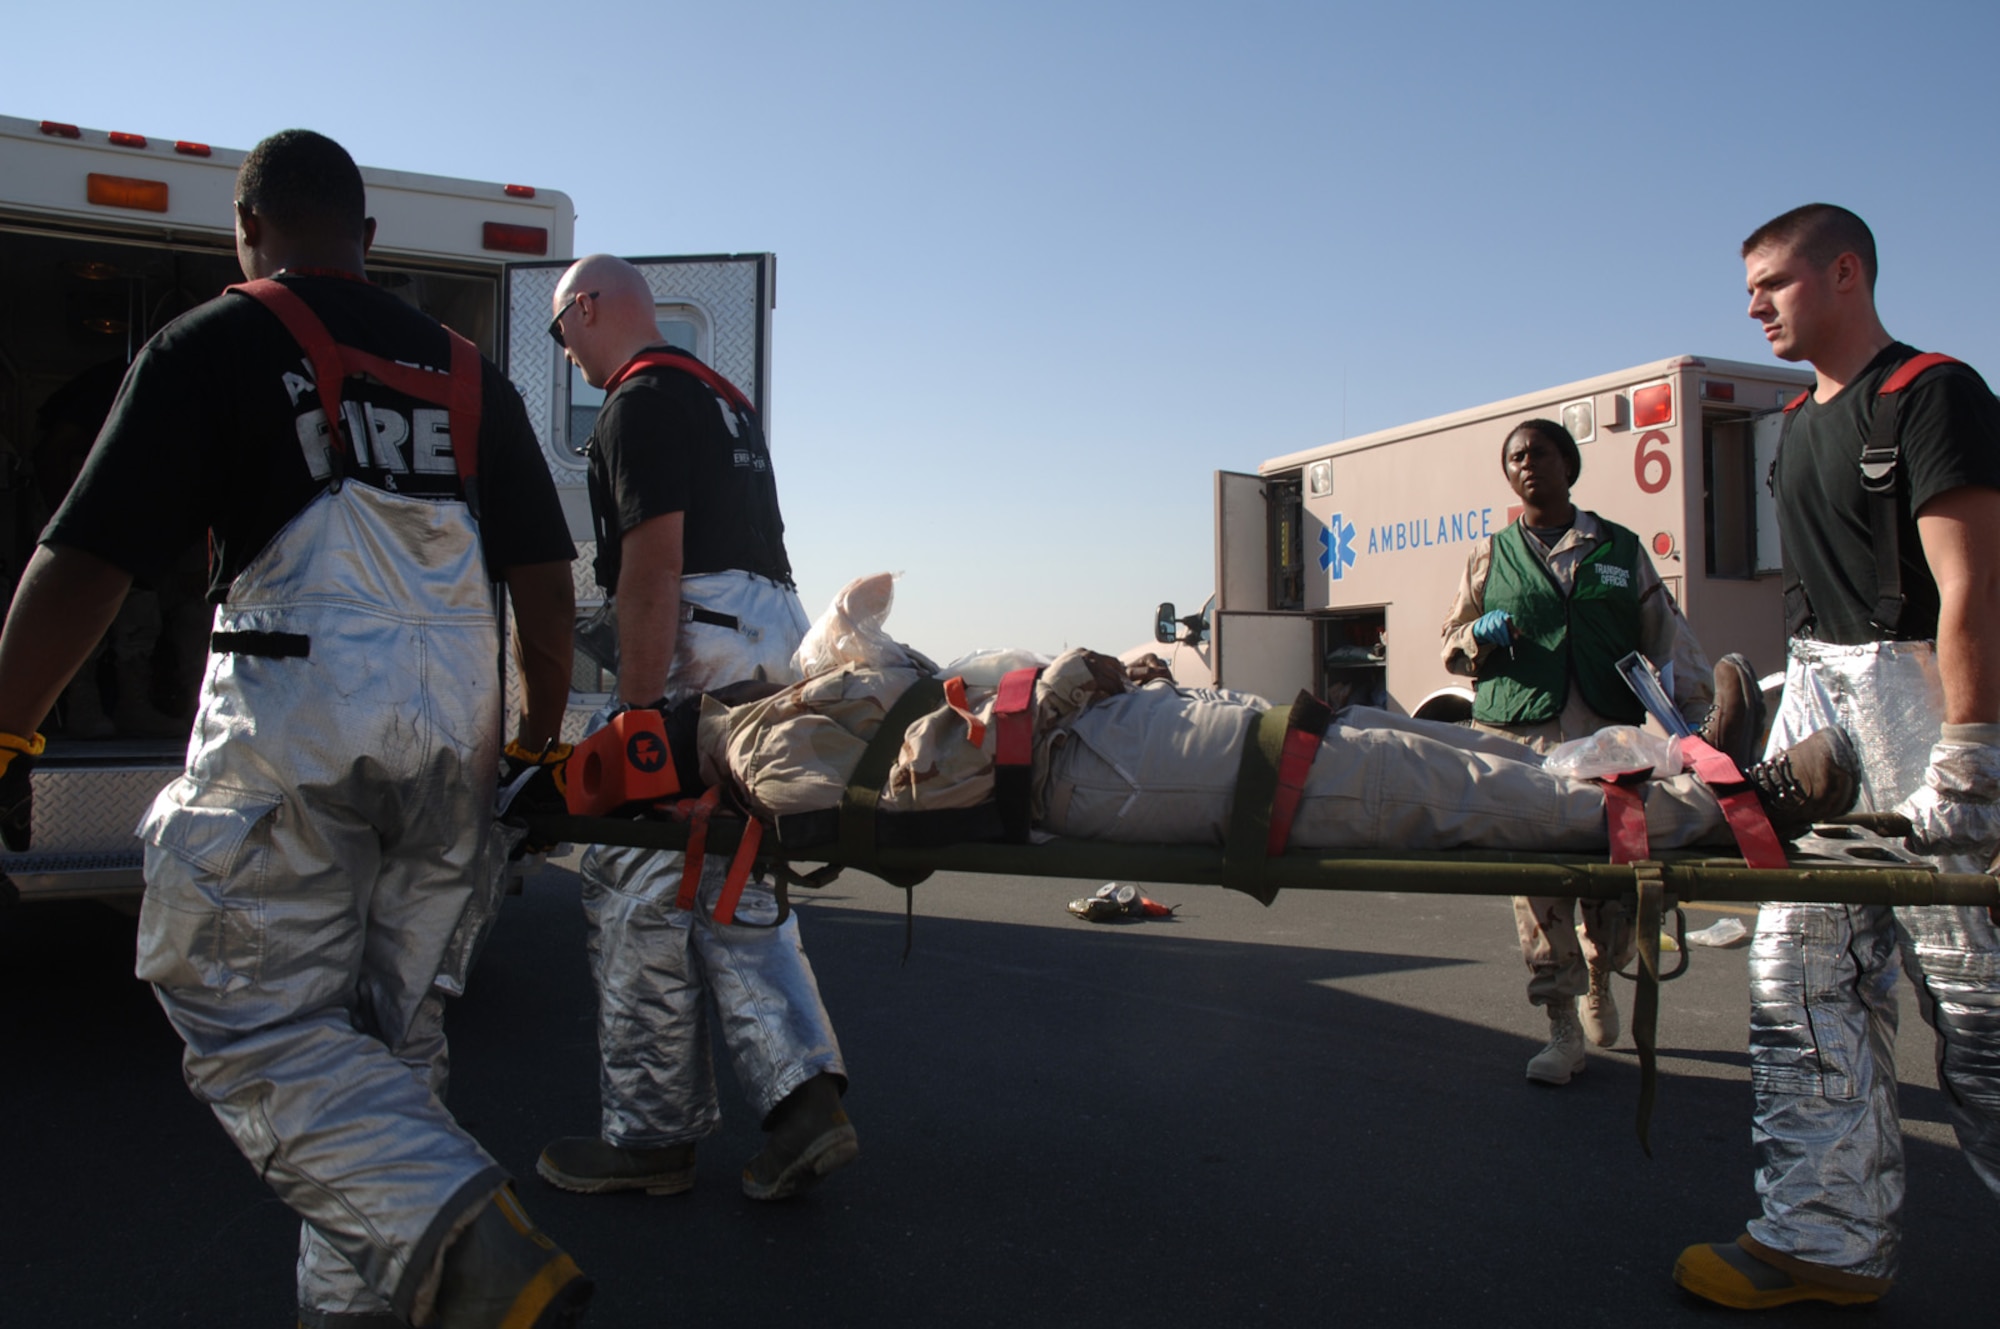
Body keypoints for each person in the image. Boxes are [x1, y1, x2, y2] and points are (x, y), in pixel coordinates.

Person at [0, 130, 588, 1328]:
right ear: (369, 240)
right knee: (389, 1045)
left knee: (238, 1007)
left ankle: (461, 1235)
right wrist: (530, 741)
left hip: (300, 715)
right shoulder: (472, 373)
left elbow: (88, 564)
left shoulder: (217, 339)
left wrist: (7, 733)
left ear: (246, 228)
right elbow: (539, 573)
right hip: (456, 726)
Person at [1674, 204, 2000, 1309]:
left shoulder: (1931, 394)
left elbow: (1974, 588)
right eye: (1748, 288)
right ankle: (1819, 1239)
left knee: (1979, 1009)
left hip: (1924, 714)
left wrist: (1967, 751)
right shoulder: (1798, 427)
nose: (1752, 304)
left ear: (1844, 273)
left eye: (1770, 281)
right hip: (1823, 711)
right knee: (1797, 978)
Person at [535, 255, 857, 1204]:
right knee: (732, 868)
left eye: (563, 332)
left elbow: (652, 563)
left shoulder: (636, 403)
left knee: (633, 879)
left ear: (588, 307)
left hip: (701, 655)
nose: (567, 353)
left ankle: (651, 1138)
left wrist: (636, 719)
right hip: (772, 641)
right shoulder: (726, 403)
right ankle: (805, 1108)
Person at [1441, 419, 1762, 1085]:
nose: (1528, 464)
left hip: (1604, 742)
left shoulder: (1619, 549)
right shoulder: (1490, 555)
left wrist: (1703, 733)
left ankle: (1599, 968)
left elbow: (1668, 638)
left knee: (1613, 880)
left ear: (1569, 463)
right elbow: (1450, 640)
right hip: (1520, 744)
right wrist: (1479, 635)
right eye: (1516, 457)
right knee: (1536, 887)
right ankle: (1561, 1021)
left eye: (1541, 453)